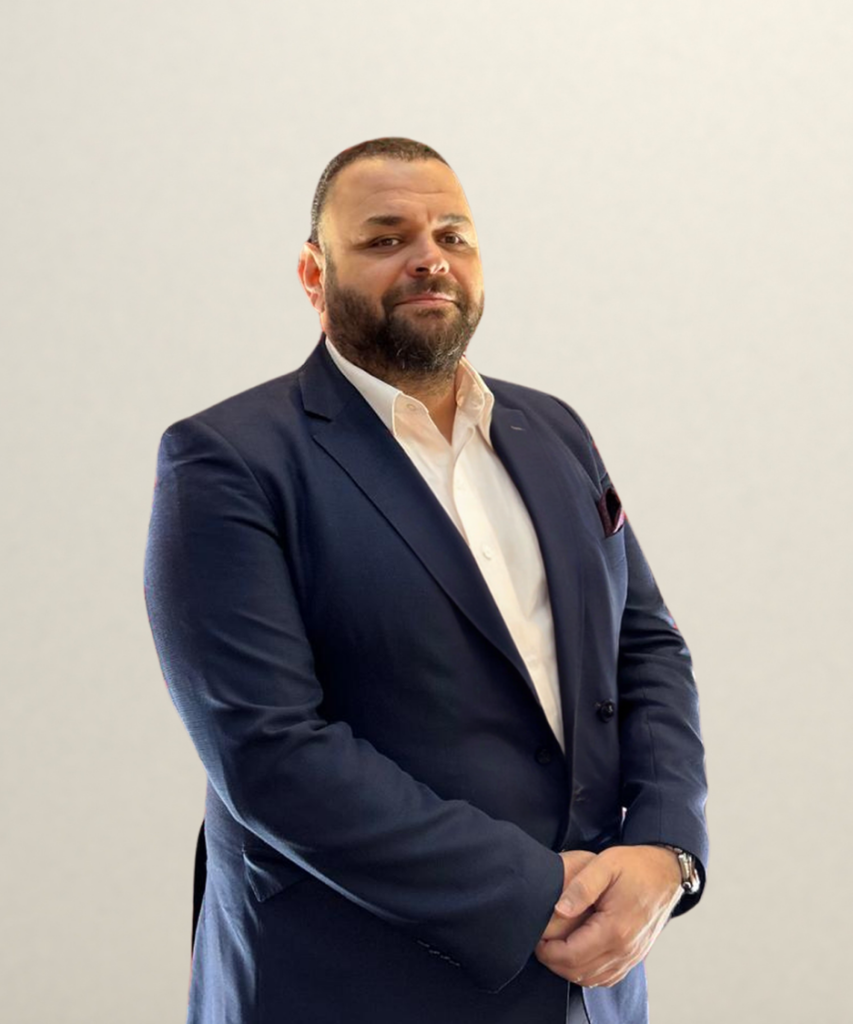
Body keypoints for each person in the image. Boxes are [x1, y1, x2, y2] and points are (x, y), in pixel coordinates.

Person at [143, 137, 709, 1024]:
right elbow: (269, 752)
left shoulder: (553, 430)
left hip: (592, 976)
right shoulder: (227, 460)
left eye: (453, 235)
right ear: (313, 273)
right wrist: (533, 890)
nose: (428, 258)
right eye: (384, 238)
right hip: (347, 979)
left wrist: (666, 849)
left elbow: (644, 647)